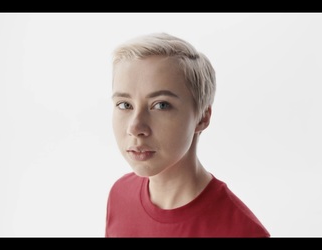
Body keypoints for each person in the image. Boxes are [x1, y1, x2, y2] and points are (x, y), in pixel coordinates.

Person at [105, 32, 270, 238]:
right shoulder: (120, 195)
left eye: (161, 105)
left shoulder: (240, 231)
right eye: (124, 105)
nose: (135, 126)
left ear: (202, 117)